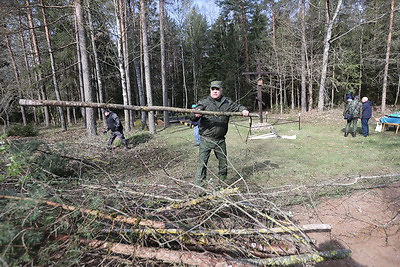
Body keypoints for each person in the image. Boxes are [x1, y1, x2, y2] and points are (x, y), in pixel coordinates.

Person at [191, 81, 249, 188]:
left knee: (223, 164)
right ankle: (199, 185)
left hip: (220, 140)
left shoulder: (227, 103)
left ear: (221, 90)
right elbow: (193, 115)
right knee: (202, 163)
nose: (215, 91)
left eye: (217, 89)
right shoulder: (204, 102)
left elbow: (238, 107)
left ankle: (221, 184)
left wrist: (243, 110)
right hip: (206, 139)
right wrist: (196, 113)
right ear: (210, 90)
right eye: (213, 89)